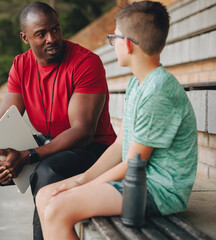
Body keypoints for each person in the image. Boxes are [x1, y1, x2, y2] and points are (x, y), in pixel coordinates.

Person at [0, 2, 116, 240]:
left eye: (55, 29)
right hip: (48, 143)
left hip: (91, 150)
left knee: (47, 173)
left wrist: (29, 155)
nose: (51, 38)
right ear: (25, 38)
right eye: (41, 34)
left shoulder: (85, 63)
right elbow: (6, 121)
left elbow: (82, 131)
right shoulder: (21, 64)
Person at [35, 1, 198, 239]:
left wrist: (82, 187)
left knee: (58, 207)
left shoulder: (158, 91)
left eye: (115, 37)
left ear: (129, 45)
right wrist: (80, 180)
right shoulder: (137, 83)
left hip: (158, 190)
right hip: (139, 181)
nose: (114, 44)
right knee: (45, 195)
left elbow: (133, 163)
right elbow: (120, 145)